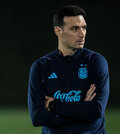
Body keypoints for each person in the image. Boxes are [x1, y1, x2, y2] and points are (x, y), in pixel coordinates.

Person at [27, 5, 110, 134]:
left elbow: (96, 110)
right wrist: (83, 112)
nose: (82, 33)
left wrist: (54, 106)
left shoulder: (96, 61)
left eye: (84, 27)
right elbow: (37, 117)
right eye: (75, 28)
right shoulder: (41, 66)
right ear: (58, 31)